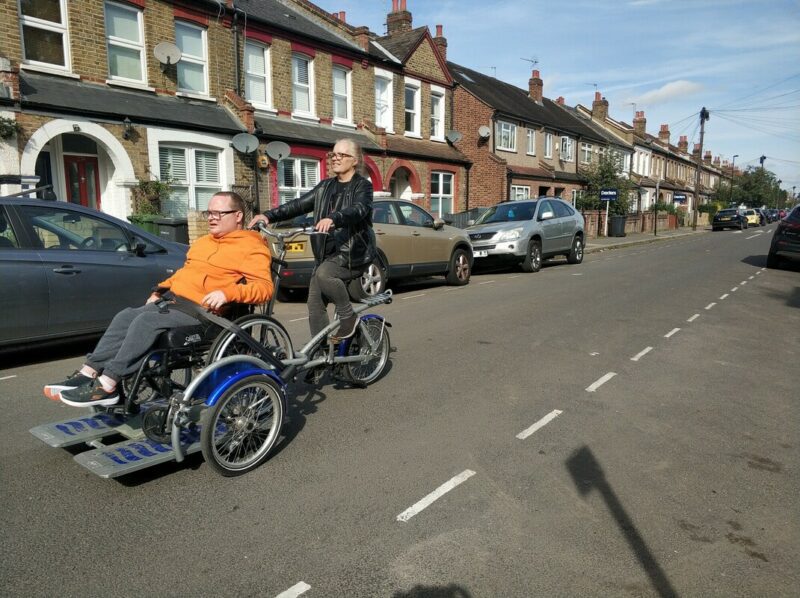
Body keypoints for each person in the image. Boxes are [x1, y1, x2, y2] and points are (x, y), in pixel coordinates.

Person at [44, 191, 273, 407]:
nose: (211, 218)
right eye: (209, 213)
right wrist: (159, 290)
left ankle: (108, 385)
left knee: (146, 323)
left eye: (218, 214)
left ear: (238, 216)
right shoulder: (203, 243)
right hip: (176, 303)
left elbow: (264, 288)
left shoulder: (251, 246)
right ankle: (88, 372)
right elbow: (186, 273)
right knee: (126, 315)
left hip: (206, 315)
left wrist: (228, 293)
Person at [249, 138, 374, 341]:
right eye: (334, 154)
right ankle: (322, 351)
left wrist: (334, 218)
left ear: (355, 160)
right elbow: (298, 205)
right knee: (314, 303)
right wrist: (268, 216)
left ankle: (348, 317)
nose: (336, 158)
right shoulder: (325, 187)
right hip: (326, 253)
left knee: (325, 274)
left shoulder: (363, 187)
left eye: (342, 155)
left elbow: (358, 210)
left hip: (352, 251)